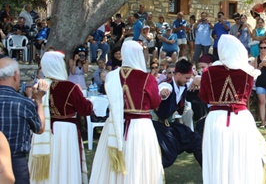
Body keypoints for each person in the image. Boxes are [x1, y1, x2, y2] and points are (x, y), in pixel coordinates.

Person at [199, 35, 266, 183]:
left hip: (216, 119)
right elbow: (248, 94)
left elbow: (204, 97)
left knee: (219, 156)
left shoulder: (209, 72)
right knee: (242, 157)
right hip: (241, 119)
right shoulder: (247, 72)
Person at [89, 41, 163, 184]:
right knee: (137, 164)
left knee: (111, 168)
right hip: (140, 127)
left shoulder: (111, 76)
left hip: (115, 125)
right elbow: (155, 103)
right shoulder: (147, 78)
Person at [29, 51, 93, 184]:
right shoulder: (70, 87)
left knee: (51, 161)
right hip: (67, 129)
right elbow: (85, 109)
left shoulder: (38, 86)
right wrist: (88, 102)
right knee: (65, 162)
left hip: (45, 128)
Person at [0, 55, 48, 184]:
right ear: (15, 76)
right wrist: (38, 101)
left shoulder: (24, 102)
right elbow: (40, 128)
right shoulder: (23, 103)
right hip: (16, 162)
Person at [153, 59, 202, 168]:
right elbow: (163, 89)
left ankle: (208, 173)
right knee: (168, 154)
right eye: (187, 78)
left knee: (195, 140)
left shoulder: (183, 83)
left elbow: (199, 79)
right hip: (156, 125)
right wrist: (163, 93)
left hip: (168, 124)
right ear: (178, 74)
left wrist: (196, 80)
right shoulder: (168, 85)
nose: (188, 80)